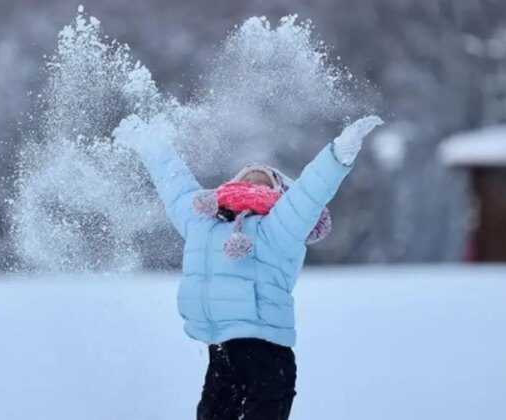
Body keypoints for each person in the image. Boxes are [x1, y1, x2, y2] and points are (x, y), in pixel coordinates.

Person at [113, 113, 382, 420]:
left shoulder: (279, 226)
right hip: (222, 350)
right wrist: (152, 145)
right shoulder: (203, 221)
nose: (253, 180)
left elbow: (309, 193)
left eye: (264, 180)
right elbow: (175, 185)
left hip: (267, 352)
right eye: (247, 177)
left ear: (280, 195)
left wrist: (337, 155)